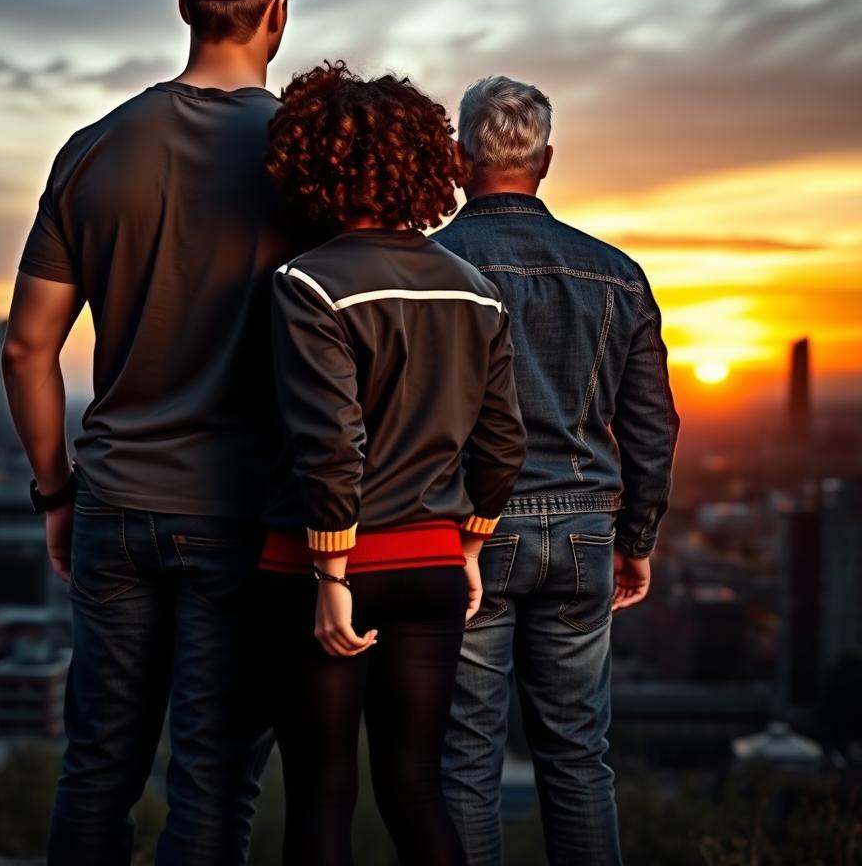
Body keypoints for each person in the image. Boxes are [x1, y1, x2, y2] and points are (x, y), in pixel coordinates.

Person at [1, 0, 316, 866]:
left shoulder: (93, 149)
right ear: (274, 16)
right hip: (245, 518)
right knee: (215, 784)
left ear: (184, 8)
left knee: (97, 768)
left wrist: (58, 494)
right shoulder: (304, 165)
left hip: (116, 506)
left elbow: (26, 349)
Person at [255, 61, 527, 866]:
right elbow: (504, 440)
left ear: (314, 167)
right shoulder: (476, 290)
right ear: (424, 165)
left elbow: (331, 442)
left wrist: (332, 577)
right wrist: (470, 546)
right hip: (435, 565)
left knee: (322, 796)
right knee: (418, 790)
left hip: (324, 573)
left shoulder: (306, 283)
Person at [437, 76, 680, 866]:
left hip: (467, 533)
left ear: (458, 156)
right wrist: (636, 537)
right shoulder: (618, 274)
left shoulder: (430, 268)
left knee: (466, 760)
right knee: (578, 757)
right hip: (582, 534)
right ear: (546, 160)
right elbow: (651, 426)